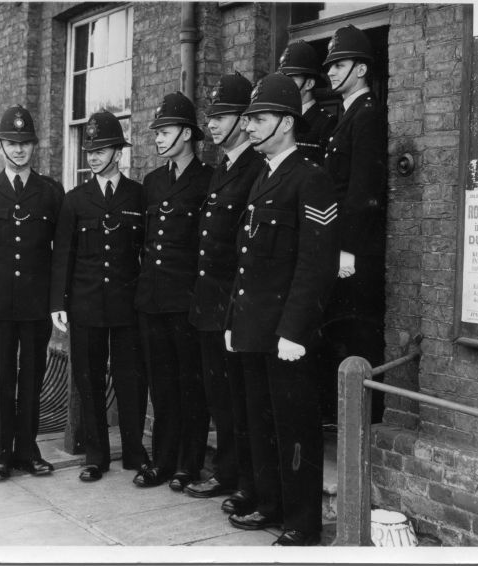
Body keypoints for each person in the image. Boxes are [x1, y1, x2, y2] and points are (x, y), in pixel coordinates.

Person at [224, 73, 340, 546]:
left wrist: (294, 330)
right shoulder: (265, 176)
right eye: (249, 119)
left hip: (286, 334)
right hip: (254, 327)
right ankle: (271, 504)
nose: (250, 127)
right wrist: (234, 319)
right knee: (261, 422)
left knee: (294, 429)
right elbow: (246, 256)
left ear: (288, 124)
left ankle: (302, 524)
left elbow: (316, 264)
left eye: (260, 119)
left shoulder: (310, 178)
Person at [0, 104, 63, 481]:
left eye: (26, 143)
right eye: (12, 142)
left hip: (36, 304)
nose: (19, 150)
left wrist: (56, 303)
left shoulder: (50, 191)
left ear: (34, 146)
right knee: (2, 378)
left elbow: (59, 254)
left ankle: (28, 450)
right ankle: (1, 453)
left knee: (32, 376)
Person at [50, 111, 150, 483]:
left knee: (131, 379)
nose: (92, 156)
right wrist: (58, 303)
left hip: (127, 305)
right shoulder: (76, 200)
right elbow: (63, 255)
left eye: (101, 149)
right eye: (89, 149)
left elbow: (145, 251)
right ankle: (96, 454)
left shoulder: (137, 195)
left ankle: (134, 451)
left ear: (118, 152)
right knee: (88, 380)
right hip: (86, 303)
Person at [184, 73, 265, 514]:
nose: (213, 125)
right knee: (219, 396)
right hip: (208, 302)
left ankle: (242, 479)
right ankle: (228, 471)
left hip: (233, 304)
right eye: (211, 117)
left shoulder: (254, 168)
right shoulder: (223, 168)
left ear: (244, 120)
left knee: (239, 399)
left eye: (223, 116)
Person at [133, 92, 214, 491]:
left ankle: (188, 464)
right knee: (160, 384)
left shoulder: (207, 179)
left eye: (165, 132)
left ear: (186, 133)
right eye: (158, 133)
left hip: (186, 301)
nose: (159, 139)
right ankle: (163, 461)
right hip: (152, 300)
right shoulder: (152, 182)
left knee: (189, 384)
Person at [322, 25, 388, 423]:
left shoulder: (367, 115)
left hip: (356, 252)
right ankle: (344, 423)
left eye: (340, 64)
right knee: (340, 336)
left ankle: (363, 427)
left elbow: (363, 188)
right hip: (340, 248)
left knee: (359, 337)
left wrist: (347, 247)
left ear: (361, 69)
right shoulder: (344, 116)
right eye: (330, 65)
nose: (331, 72)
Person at [277, 40, 335, 165]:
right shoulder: (278, 119)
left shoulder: (326, 122)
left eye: (292, 79)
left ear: (309, 84)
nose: (285, 85)